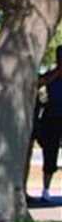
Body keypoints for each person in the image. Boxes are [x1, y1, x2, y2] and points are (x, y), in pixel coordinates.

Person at [36, 46, 62, 202]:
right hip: (52, 117)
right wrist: (58, 72)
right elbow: (40, 83)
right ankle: (45, 189)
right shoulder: (52, 75)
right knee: (50, 153)